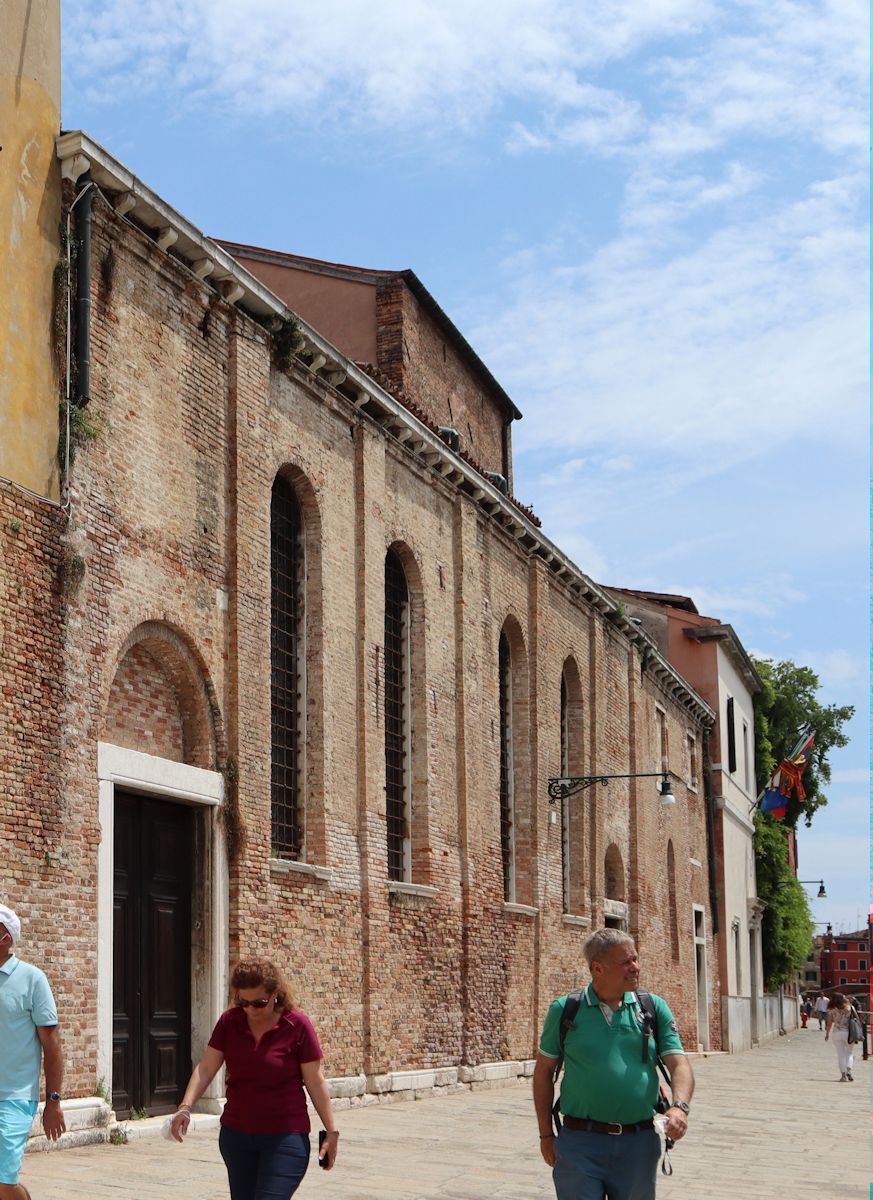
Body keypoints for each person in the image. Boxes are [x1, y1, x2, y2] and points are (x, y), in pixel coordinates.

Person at [533, 928, 694, 1200]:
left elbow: (679, 1064)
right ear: (598, 968)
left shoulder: (652, 1008)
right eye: (626, 962)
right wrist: (546, 1136)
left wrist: (680, 1108)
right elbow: (543, 1073)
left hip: (638, 1143)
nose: (636, 968)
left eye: (636, 959)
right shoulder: (565, 1010)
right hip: (579, 1141)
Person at [170, 957, 339, 1199]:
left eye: (259, 1003)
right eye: (243, 1002)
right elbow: (206, 1068)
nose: (250, 1010)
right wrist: (185, 1107)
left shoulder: (297, 1026)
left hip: (286, 1137)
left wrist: (331, 1133)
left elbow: (315, 1082)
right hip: (236, 1137)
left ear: (275, 995)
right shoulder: (230, 1022)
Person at [0, 904, 66, 1200]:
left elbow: (52, 1046)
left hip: (13, 1099)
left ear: (4, 936)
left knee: (3, 1182)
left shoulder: (32, 979)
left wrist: (53, 1103)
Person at [824, 992, 855, 1081]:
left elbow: (829, 1023)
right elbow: (857, 1019)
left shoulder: (831, 1009)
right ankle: (849, 1070)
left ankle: (843, 1076)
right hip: (848, 1033)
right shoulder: (850, 1008)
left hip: (836, 1032)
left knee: (841, 1055)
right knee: (849, 1053)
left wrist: (827, 1034)